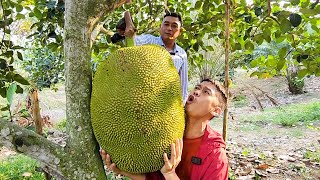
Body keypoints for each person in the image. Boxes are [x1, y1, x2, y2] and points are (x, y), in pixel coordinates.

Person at [100, 78, 229, 180]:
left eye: (206, 92)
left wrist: (170, 174)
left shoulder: (215, 155)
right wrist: (122, 170)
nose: (196, 92)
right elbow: (154, 178)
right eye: (197, 88)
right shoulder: (166, 131)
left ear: (216, 111)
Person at [117, 11, 188, 104]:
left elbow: (183, 86)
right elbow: (133, 43)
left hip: (165, 105)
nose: (169, 28)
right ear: (160, 27)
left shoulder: (181, 54)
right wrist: (128, 22)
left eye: (174, 26)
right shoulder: (149, 41)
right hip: (139, 99)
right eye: (166, 24)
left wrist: (181, 106)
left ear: (180, 31)